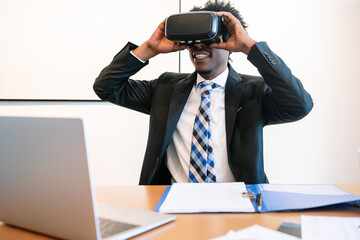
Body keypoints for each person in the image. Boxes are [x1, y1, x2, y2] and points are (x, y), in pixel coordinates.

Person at [93, 0, 313, 185]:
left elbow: (299, 106)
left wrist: (249, 47)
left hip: (239, 205)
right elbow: (106, 87)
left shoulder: (254, 92)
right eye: (192, 41)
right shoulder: (165, 88)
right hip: (175, 203)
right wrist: (148, 48)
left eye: (208, 39)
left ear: (229, 43)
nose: (198, 46)